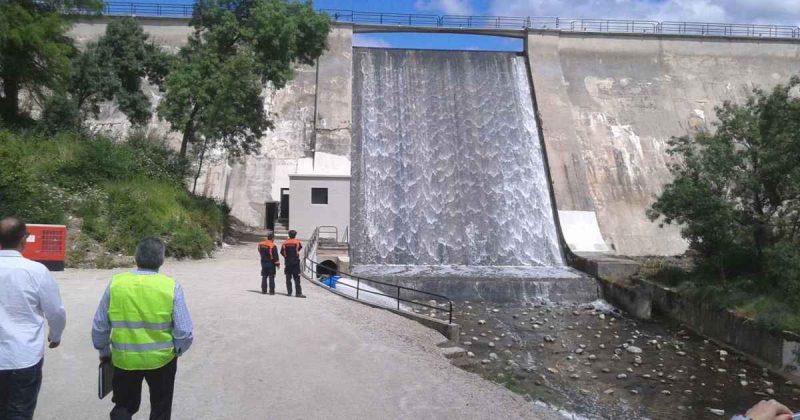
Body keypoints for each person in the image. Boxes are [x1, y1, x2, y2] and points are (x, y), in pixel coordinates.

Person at [92, 238, 193, 420]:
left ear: (136, 257)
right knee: (160, 409)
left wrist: (104, 351)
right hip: (162, 360)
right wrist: (177, 350)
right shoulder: (171, 287)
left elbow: (100, 324)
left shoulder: (116, 284)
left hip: (124, 359)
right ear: (162, 259)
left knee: (123, 406)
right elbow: (184, 331)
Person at [0, 217, 66, 420]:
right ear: (25, 239)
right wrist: (55, 336)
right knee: (19, 413)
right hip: (23, 357)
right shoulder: (36, 271)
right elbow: (55, 311)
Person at [280, 230, 305, 298]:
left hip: (287, 262)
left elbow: (282, 252)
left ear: (289, 235)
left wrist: (286, 257)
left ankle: (289, 293)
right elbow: (299, 248)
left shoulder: (285, 243)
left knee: (288, 278)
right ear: (295, 235)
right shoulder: (297, 242)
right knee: (297, 279)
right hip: (295, 263)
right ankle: (298, 293)